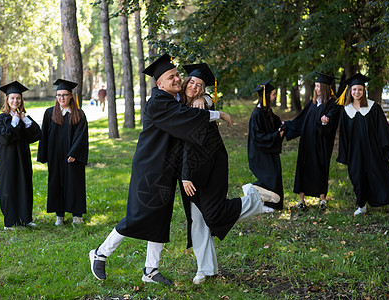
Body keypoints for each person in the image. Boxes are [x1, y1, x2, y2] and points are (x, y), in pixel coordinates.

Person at [89, 54, 233, 285]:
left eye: (177, 75)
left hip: (167, 169)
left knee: (159, 219)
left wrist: (205, 97)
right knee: (139, 216)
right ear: (160, 83)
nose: (178, 79)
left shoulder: (173, 98)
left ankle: (150, 271)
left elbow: (190, 106)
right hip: (151, 169)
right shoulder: (158, 103)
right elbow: (185, 117)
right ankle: (101, 253)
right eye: (171, 77)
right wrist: (218, 113)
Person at [179, 63, 267, 285]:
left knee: (212, 214)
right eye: (192, 81)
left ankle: (254, 200)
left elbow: (192, 138)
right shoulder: (179, 102)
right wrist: (217, 111)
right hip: (189, 167)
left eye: (199, 85)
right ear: (185, 81)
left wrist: (208, 102)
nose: (194, 86)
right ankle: (205, 269)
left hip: (211, 164)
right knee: (197, 219)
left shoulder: (201, 104)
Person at [336, 73, 389, 219]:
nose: (357, 92)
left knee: (383, 175)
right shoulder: (346, 111)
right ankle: (361, 205)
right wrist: (344, 155)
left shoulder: (373, 108)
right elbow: (343, 136)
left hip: (374, 150)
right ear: (350, 91)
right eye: (354, 90)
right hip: (356, 153)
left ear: (364, 91)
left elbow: (383, 129)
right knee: (357, 177)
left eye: (360, 90)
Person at [282, 72, 341, 210]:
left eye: (319, 86)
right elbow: (300, 120)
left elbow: (332, 120)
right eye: (315, 86)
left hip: (322, 144)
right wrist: (287, 124)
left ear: (326, 88)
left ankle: (322, 199)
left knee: (321, 168)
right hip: (307, 143)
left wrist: (326, 122)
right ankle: (301, 200)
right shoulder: (312, 104)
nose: (316, 89)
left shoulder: (333, 104)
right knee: (303, 168)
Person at [37, 79, 89, 225]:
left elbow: (81, 135)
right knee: (56, 183)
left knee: (74, 184)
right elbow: (44, 135)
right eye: (58, 95)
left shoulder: (78, 114)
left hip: (72, 157)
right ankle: (59, 215)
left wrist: (74, 153)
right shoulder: (49, 113)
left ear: (71, 96)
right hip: (55, 156)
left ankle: (77, 215)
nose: (61, 98)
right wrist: (44, 155)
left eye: (64, 95)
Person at [0, 81, 42, 230]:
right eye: (12, 98)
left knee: (24, 187)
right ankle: (10, 222)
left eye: (18, 98)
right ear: (7, 100)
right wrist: (15, 120)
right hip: (7, 160)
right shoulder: (1, 119)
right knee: (9, 189)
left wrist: (24, 119)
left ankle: (25, 219)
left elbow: (36, 134)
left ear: (21, 100)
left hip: (22, 159)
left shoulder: (23, 118)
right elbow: (5, 138)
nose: (16, 101)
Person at [248, 80, 285, 212]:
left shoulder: (266, 111)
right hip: (259, 151)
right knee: (270, 176)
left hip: (268, 149)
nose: (275, 97)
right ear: (266, 95)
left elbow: (275, 123)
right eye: (273, 94)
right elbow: (259, 137)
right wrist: (276, 136)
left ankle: (275, 204)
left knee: (275, 175)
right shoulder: (257, 114)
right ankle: (258, 197)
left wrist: (282, 126)